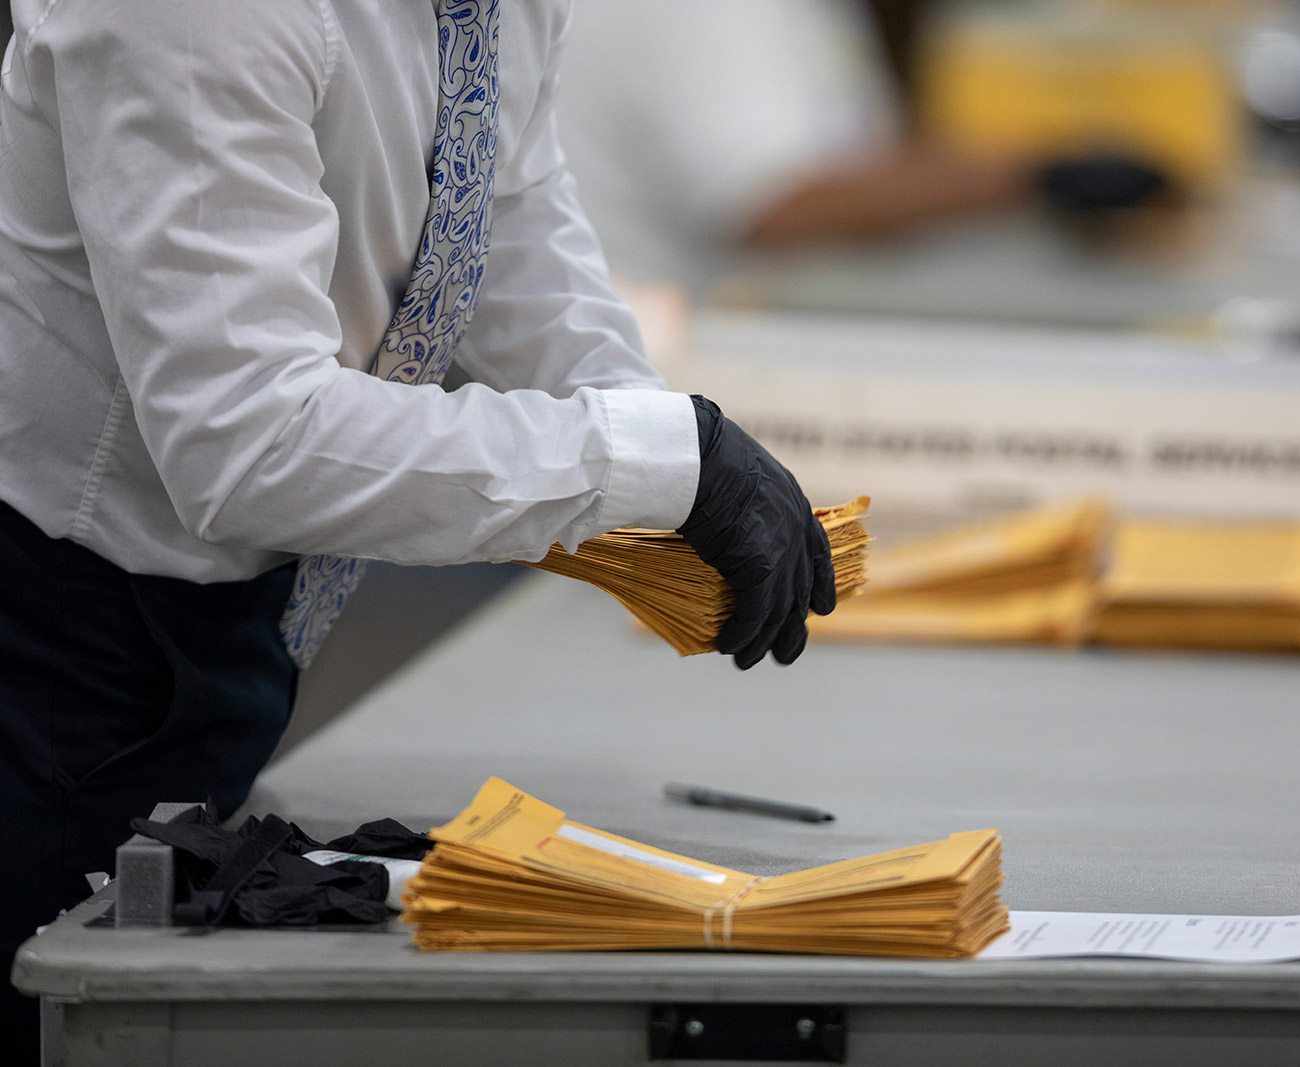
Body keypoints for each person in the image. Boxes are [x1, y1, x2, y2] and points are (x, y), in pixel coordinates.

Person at [0, 1, 833, 1055]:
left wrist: (648, 435)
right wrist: (653, 460)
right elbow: (249, 442)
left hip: (233, 609)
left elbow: (506, 212)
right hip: (60, 633)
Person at [557, 0, 1169, 294]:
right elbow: (774, 202)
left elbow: (852, 155)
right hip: (664, 366)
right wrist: (1037, 175)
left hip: (700, 356)